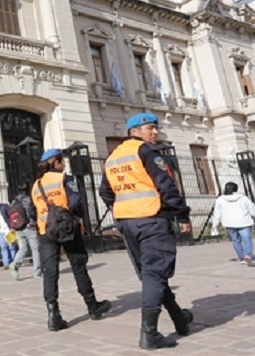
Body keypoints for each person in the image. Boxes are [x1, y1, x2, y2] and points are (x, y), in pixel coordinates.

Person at [100, 113, 194, 349]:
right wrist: (181, 213)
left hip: (127, 222)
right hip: (151, 219)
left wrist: (122, 208)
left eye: (155, 129)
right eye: (150, 128)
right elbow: (166, 185)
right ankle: (149, 333)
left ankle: (179, 319)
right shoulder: (146, 152)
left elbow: (105, 192)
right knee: (155, 274)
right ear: (134, 131)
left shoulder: (112, 157)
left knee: (152, 273)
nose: (155, 133)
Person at [33, 149, 111, 332]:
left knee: (50, 271)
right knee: (78, 265)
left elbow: (33, 210)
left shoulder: (36, 184)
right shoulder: (65, 179)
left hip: (45, 229)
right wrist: (77, 218)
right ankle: (92, 306)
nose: (65, 165)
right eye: (63, 161)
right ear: (57, 162)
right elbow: (75, 202)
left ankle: (53, 314)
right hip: (67, 228)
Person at [211, 182, 255, 266]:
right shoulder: (243, 198)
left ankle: (241, 257)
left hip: (229, 223)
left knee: (235, 240)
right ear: (236, 189)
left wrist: (215, 225)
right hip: (244, 222)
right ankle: (248, 254)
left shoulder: (220, 200)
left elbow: (217, 213)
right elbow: (252, 209)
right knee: (246, 239)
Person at [10, 183, 42, 280]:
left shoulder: (14, 201)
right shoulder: (29, 199)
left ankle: (15, 264)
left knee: (23, 248)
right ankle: (37, 272)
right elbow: (34, 212)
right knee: (35, 250)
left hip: (18, 227)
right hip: (30, 227)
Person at [0, 197, 17, 269]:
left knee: (11, 247)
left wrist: (13, 227)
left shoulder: (4, 207)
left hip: (9, 230)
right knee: (3, 247)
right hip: (1, 232)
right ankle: (6, 264)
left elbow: (12, 216)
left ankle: (13, 262)